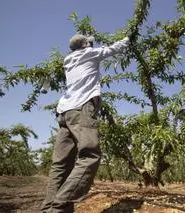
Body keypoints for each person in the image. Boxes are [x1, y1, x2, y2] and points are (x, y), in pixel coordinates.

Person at [41, 34, 131, 213]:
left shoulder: (68, 60)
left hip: (64, 111)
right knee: (90, 155)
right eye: (89, 42)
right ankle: (59, 207)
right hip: (81, 108)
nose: (92, 44)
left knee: (61, 164)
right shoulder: (90, 54)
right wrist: (129, 38)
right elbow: (114, 48)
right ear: (85, 45)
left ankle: (48, 208)